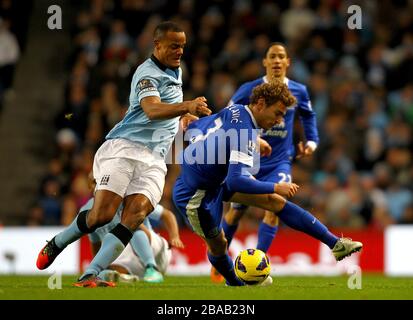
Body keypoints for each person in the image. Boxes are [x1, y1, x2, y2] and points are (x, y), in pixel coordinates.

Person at [36, 21, 211, 287]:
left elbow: (162, 112)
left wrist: (180, 116)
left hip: (154, 159)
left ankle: (91, 273)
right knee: (102, 216)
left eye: (183, 46)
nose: (179, 51)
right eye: (174, 45)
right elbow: (151, 109)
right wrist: (187, 105)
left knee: (136, 214)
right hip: (125, 149)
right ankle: (57, 242)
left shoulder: (176, 70)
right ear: (157, 44)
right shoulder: (147, 74)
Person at [173, 81, 363, 286]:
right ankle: (235, 283)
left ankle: (335, 244)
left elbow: (205, 126)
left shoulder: (236, 110)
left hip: (214, 180)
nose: (280, 120)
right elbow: (237, 180)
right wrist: (275, 186)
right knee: (219, 245)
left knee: (274, 202)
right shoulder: (244, 129)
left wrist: (188, 121)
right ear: (261, 104)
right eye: (278, 113)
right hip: (194, 195)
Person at [214, 42, 319, 282]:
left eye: (281, 56)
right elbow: (229, 115)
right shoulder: (250, 88)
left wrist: (311, 142)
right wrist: (249, 137)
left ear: (287, 62)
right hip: (250, 159)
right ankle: (219, 261)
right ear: (265, 62)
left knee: (275, 206)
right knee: (236, 213)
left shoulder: (299, 91)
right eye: (272, 56)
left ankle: (257, 265)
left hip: (281, 160)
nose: (277, 60)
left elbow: (309, 116)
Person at [84, 198, 183, 284]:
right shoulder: (93, 216)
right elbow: (96, 247)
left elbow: (167, 214)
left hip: (155, 250)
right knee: (112, 268)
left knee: (133, 227)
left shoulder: (134, 199)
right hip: (132, 257)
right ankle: (121, 277)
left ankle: (151, 267)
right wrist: (98, 269)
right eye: (95, 183)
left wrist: (175, 236)